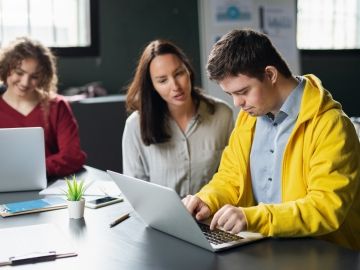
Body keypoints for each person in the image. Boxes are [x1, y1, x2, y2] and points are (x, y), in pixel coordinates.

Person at [183, 29, 360, 250]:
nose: (238, 103)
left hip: (323, 254)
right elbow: (231, 177)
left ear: (270, 74)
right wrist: (207, 199)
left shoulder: (331, 125)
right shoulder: (249, 118)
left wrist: (253, 218)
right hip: (263, 248)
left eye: (243, 91)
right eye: (231, 95)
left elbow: (325, 208)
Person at [123, 39, 233, 197]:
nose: (175, 86)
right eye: (162, 80)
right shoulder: (135, 125)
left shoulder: (222, 114)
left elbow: (232, 176)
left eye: (179, 73)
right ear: (152, 86)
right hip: (160, 219)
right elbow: (134, 191)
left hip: (212, 217)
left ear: (188, 70)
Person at [0, 37, 86, 177]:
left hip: (50, 185)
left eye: (34, 76)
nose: (25, 82)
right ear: (6, 68)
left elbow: (72, 155)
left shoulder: (57, 106)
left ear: (43, 77)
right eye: (19, 73)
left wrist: (32, 172)